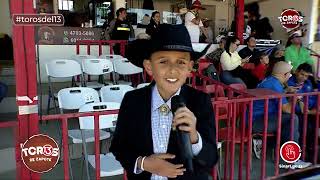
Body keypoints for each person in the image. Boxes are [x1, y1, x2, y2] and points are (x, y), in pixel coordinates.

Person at [110, 24, 218, 180]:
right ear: (149, 67)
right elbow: (119, 147)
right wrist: (144, 163)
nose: (173, 70)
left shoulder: (200, 101)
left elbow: (210, 159)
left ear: (190, 67)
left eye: (181, 62)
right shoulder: (132, 101)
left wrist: (194, 136)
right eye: (163, 61)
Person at [251, 61, 311, 168]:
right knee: (293, 118)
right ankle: (291, 159)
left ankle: (286, 156)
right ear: (284, 75)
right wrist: (294, 98)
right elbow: (287, 110)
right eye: (289, 74)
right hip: (257, 122)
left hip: (256, 118)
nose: (289, 76)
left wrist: (286, 90)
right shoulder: (275, 85)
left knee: (289, 123)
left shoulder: (270, 80)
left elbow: (274, 96)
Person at [287, 63, 318, 161]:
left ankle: (312, 153)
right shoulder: (288, 83)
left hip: (308, 112)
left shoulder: (309, 83)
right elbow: (289, 104)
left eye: (306, 76)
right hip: (294, 113)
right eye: (302, 74)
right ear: (296, 71)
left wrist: (307, 106)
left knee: (314, 126)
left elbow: (313, 99)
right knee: (304, 127)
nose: (303, 78)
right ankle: (300, 154)